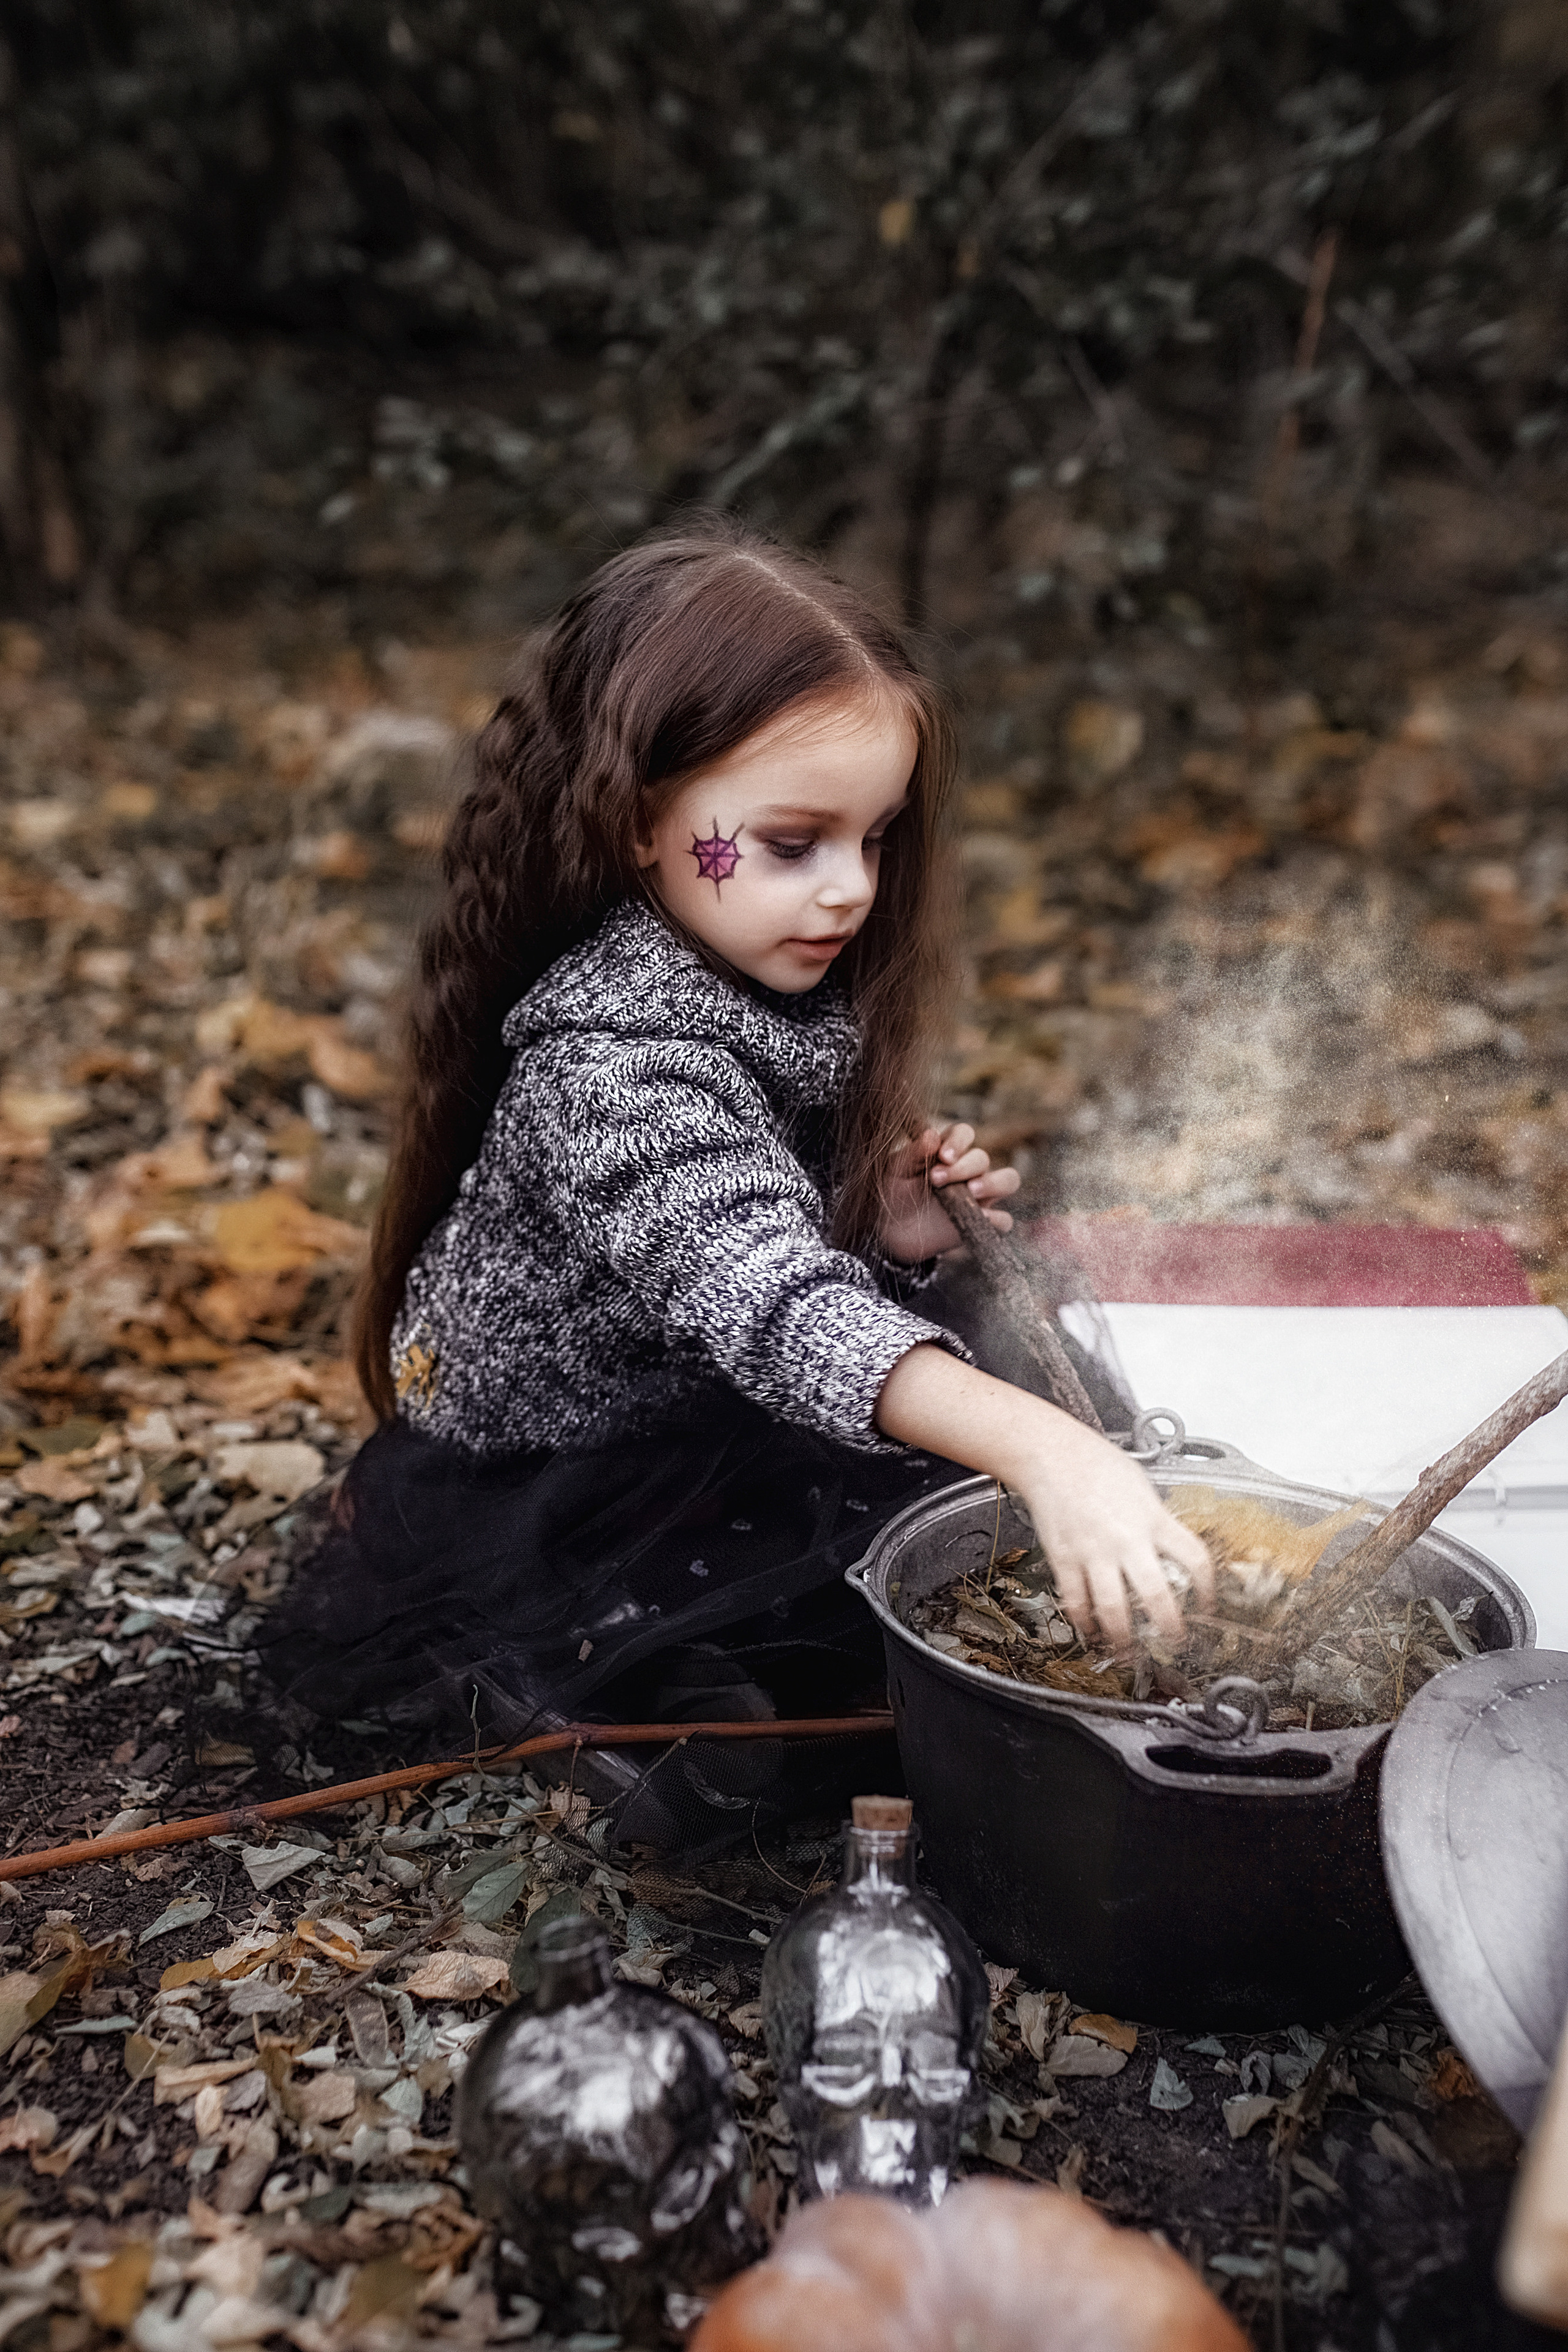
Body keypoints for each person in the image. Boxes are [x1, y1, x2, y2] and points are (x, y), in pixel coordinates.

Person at [263, 517, 1212, 1850]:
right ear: (642, 824)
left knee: (963, 1384)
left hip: (692, 1391)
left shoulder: (741, 975)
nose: (848, 893)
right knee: (864, 1598)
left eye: (874, 840)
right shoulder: (606, 1067)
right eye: (790, 844)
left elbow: (760, 1245)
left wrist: (881, 1237)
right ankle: (588, 1696)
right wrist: (1042, 1447)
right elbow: (766, 1302)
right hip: (568, 1473)